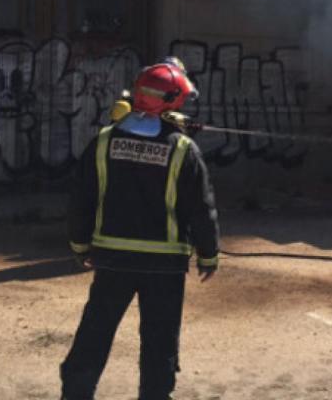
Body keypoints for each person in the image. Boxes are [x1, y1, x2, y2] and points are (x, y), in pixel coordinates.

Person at [60, 58, 220, 400]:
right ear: (172, 102)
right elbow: (201, 209)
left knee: (95, 333)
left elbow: (81, 199)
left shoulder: (103, 141)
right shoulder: (182, 150)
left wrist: (79, 245)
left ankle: (75, 393)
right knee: (160, 342)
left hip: (112, 261)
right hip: (165, 266)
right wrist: (209, 255)